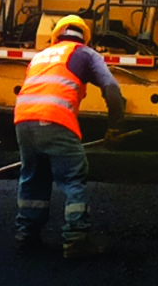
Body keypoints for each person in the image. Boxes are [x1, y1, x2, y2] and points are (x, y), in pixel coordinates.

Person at [12, 16, 125, 259]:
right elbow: (112, 89)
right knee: (72, 178)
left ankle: (26, 235)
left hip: (23, 121)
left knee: (33, 177)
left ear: (57, 35)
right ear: (85, 36)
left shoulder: (40, 56)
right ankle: (75, 240)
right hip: (55, 120)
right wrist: (114, 127)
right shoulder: (85, 54)